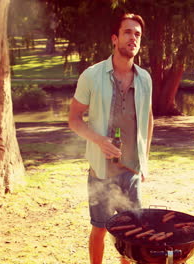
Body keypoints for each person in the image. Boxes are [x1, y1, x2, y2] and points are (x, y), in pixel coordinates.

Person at [68, 13, 153, 264]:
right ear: (115, 39)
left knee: (130, 233)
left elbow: (148, 119)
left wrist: (145, 160)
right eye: (128, 32)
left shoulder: (145, 78)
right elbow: (74, 119)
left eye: (137, 34)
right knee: (100, 229)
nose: (133, 38)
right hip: (101, 172)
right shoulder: (91, 76)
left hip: (132, 171)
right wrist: (98, 139)